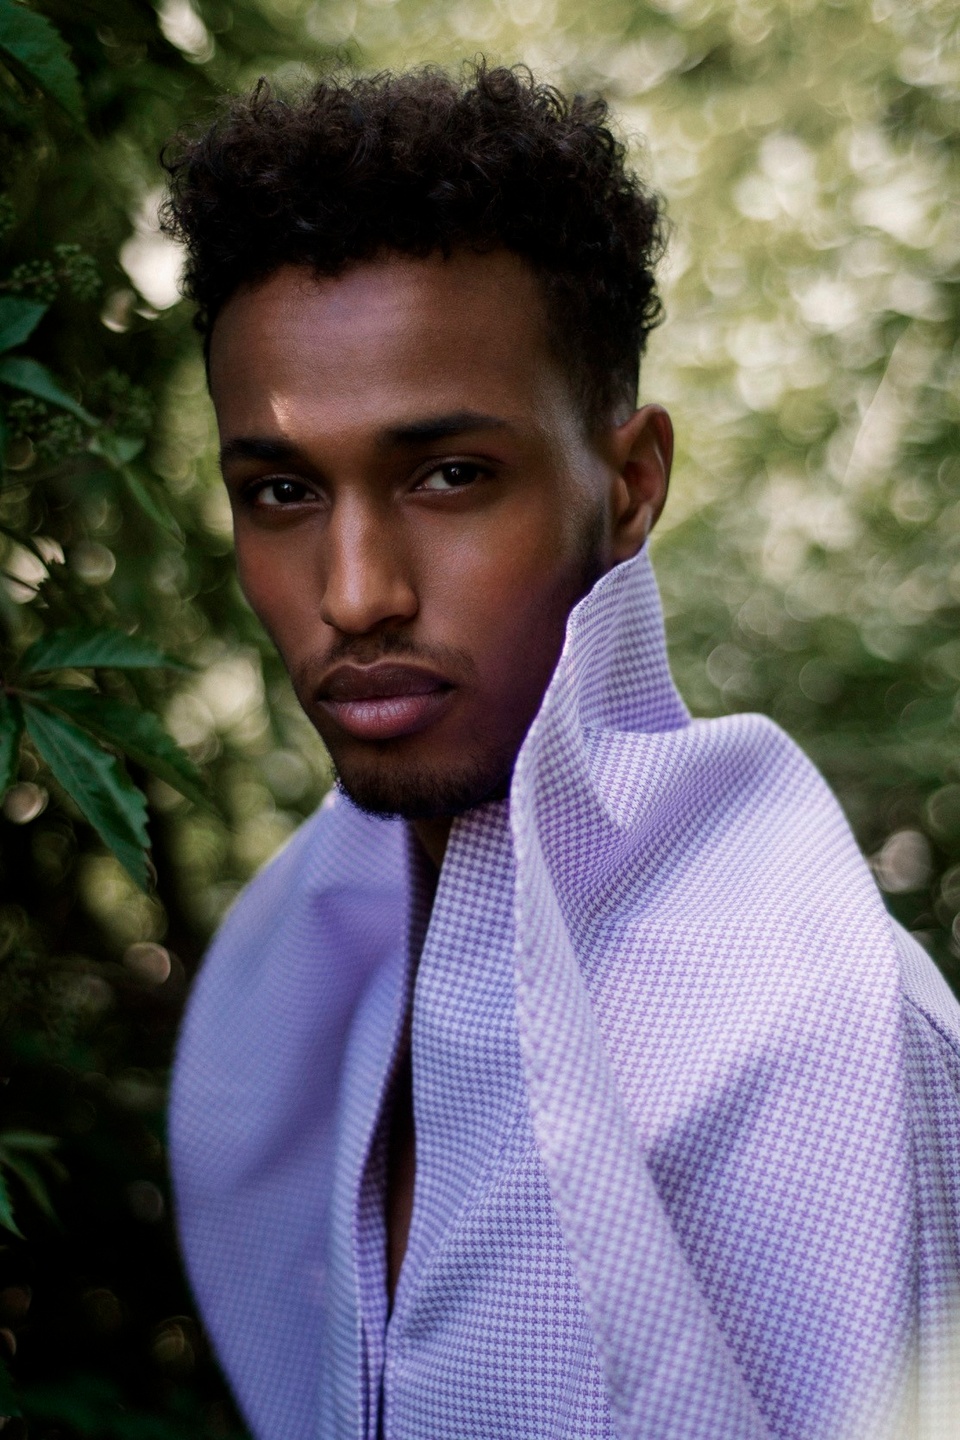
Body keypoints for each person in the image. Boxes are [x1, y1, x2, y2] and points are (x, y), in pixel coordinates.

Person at [162, 64, 960, 1440]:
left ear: (630, 485)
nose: (355, 593)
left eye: (449, 475)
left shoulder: (824, 1034)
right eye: (281, 492)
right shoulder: (290, 992)